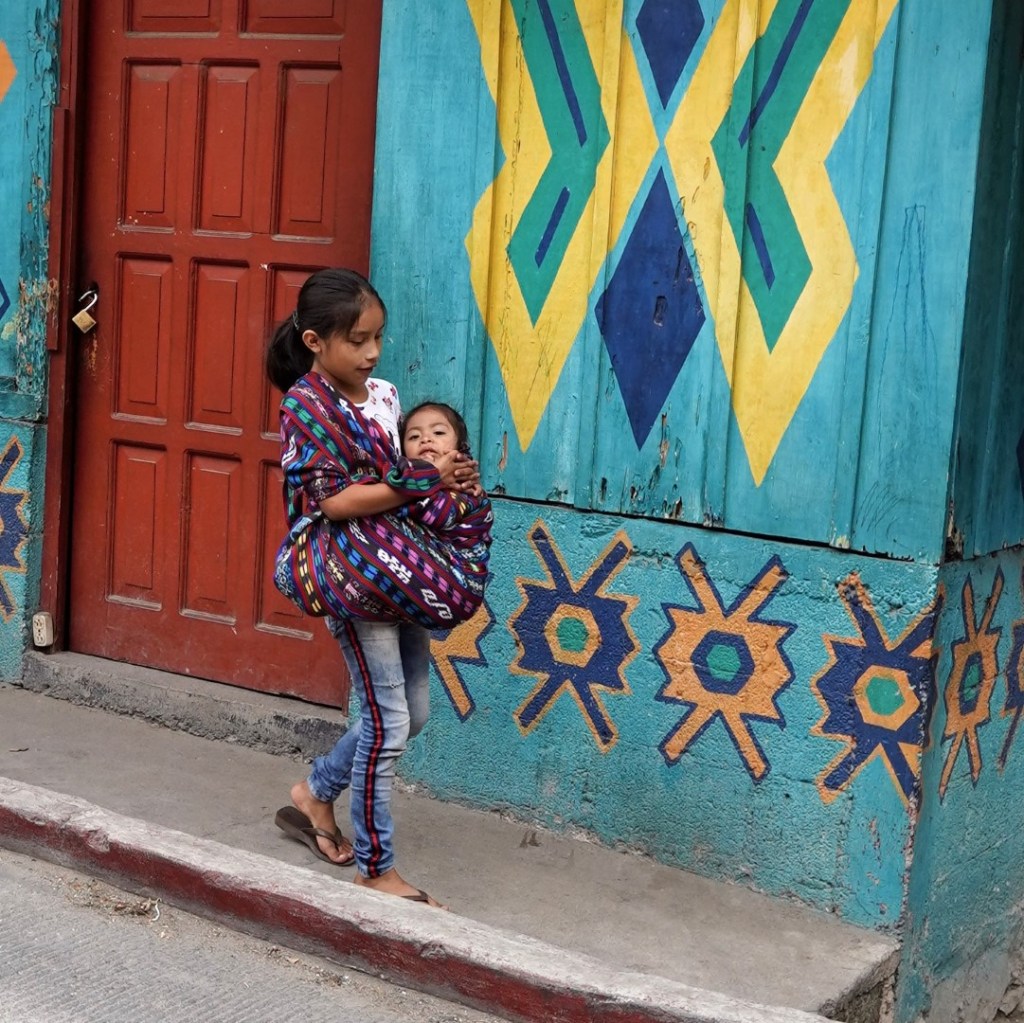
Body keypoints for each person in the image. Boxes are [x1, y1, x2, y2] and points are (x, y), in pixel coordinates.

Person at [265, 268, 481, 907]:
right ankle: (376, 866)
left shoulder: (382, 397)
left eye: (377, 338)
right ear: (314, 341)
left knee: (412, 715)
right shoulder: (306, 406)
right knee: (387, 722)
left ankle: (314, 794)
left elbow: (401, 474)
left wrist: (447, 476)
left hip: (401, 567)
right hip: (352, 574)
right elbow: (334, 502)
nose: (373, 353)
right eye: (358, 340)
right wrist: (419, 480)